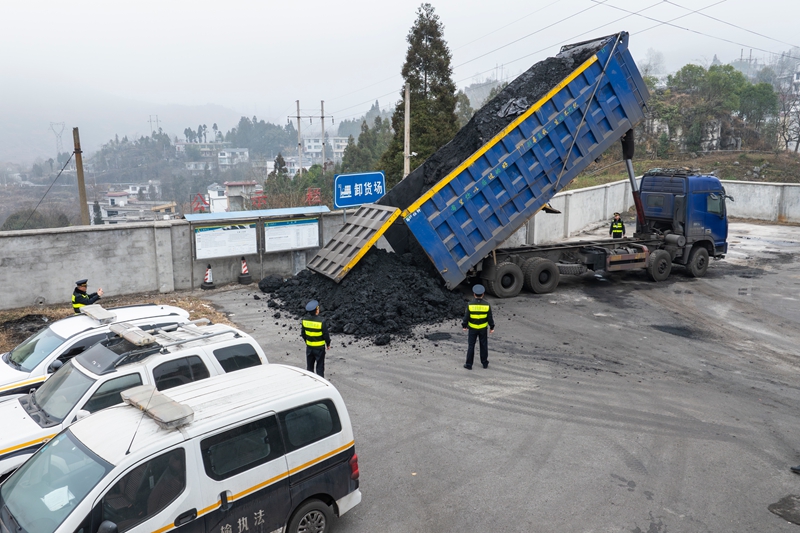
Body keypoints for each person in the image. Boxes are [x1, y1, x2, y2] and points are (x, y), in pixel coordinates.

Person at [462, 284, 495, 370]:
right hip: (483, 329)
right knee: (483, 345)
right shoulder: (487, 305)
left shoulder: (470, 305)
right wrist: (492, 327)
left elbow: (466, 317)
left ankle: (469, 365)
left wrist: (464, 326)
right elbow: (490, 318)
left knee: (471, 346)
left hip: (472, 329)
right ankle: (484, 363)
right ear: (483, 294)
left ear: (474, 294)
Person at [301, 300, 330, 378]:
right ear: (316, 310)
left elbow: (303, 334)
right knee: (319, 368)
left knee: (309, 367)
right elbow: (325, 335)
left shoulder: (304, 320)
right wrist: (328, 344)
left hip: (309, 348)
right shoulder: (321, 322)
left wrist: (308, 342)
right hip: (319, 348)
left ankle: (310, 382)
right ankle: (320, 383)